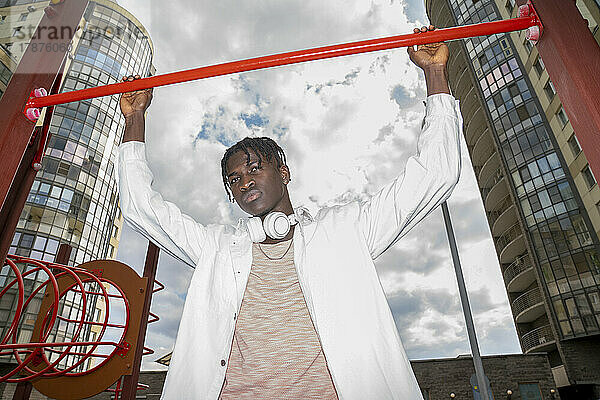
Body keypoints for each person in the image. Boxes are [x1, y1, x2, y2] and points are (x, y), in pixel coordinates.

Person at [117, 26, 462, 400]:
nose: (244, 181)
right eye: (234, 179)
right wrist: (136, 117)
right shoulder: (215, 248)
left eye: (253, 169)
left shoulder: (343, 230)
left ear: (283, 173)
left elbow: (435, 174)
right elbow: (140, 205)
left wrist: (434, 73)